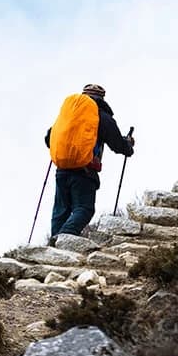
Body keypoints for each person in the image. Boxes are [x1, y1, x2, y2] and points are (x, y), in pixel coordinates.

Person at [45, 84, 135, 240]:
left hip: (62, 168)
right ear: (101, 99)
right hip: (85, 170)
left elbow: (49, 139)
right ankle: (63, 238)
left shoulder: (68, 115)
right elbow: (117, 144)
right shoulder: (101, 116)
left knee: (61, 210)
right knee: (84, 208)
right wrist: (128, 146)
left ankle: (53, 244)